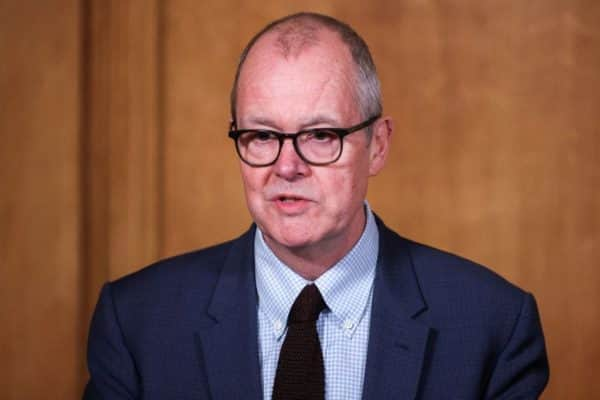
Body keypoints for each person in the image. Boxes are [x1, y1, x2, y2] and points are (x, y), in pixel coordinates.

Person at [83, 12, 549, 400]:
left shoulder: (493, 325)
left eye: (321, 136)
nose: (287, 167)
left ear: (378, 145)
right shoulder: (137, 323)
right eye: (262, 136)